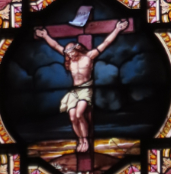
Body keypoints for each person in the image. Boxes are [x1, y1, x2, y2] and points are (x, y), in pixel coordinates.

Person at [34, 18, 128, 152]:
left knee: (79, 114)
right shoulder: (70, 59)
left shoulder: (89, 56)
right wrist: (45, 35)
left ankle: (86, 140)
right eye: (68, 54)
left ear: (77, 49)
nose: (70, 56)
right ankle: (80, 140)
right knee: (72, 117)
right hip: (74, 91)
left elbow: (106, 43)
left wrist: (117, 29)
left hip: (85, 89)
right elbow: (55, 45)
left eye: (71, 53)